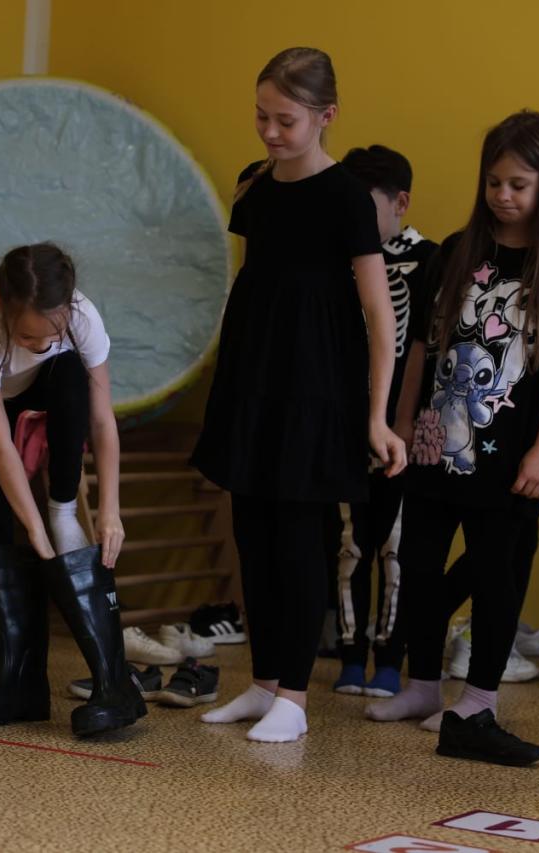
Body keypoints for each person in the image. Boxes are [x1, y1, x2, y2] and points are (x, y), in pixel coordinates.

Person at [366, 111, 539, 768]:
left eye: (519, 185)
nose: (503, 195)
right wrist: (402, 423)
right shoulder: (455, 252)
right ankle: (421, 686)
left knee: (498, 576)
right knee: (418, 566)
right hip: (433, 443)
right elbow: (421, 347)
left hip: (509, 459)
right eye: (494, 182)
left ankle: (477, 701)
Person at [189, 47, 405, 744]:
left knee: (299, 539)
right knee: (251, 529)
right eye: (262, 116)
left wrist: (376, 415)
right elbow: (256, 284)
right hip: (255, 374)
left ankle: (294, 695)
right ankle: (262, 682)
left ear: (326, 116)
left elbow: (379, 314)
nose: (270, 131)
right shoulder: (255, 187)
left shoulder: (346, 197)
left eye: (286, 120)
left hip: (316, 383)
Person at [0, 242, 137, 738]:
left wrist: (107, 511)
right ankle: (18, 684)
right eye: (27, 336)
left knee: (69, 370)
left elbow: (102, 420)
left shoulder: (83, 318)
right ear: (4, 310)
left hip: (55, 389)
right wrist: (31, 526)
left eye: (51, 335)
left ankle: (115, 688)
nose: (39, 344)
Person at [330, 144, 439, 698]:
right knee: (352, 545)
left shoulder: (433, 261)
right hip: (349, 430)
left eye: (364, 206)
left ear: (401, 203)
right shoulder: (339, 260)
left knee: (397, 548)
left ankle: (390, 656)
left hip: (404, 432)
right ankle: (350, 654)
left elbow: (427, 347)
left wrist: (409, 422)